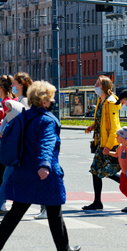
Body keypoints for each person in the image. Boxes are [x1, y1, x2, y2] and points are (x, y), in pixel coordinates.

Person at [0, 81, 80, 251]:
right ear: (43, 101)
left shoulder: (22, 116)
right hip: (44, 172)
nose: (53, 101)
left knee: (16, 212)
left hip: (23, 170)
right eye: (51, 98)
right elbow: (47, 143)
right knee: (54, 211)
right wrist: (44, 164)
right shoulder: (47, 120)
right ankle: (64, 248)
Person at [82, 75, 124, 210]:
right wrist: (93, 126)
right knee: (103, 171)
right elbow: (102, 120)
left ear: (105, 86)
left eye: (98, 84)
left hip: (106, 143)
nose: (95, 86)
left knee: (97, 171)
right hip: (100, 141)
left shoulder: (111, 102)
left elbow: (115, 126)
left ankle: (97, 202)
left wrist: (109, 145)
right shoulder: (101, 101)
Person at [12, 72, 46, 219]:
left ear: (21, 84)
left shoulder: (25, 101)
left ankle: (46, 207)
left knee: (34, 179)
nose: (12, 85)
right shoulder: (18, 98)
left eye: (14, 83)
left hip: (29, 146)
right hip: (24, 145)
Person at [0, 75, 17, 213]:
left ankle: (2, 202)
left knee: (5, 174)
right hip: (10, 141)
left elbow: (8, 123)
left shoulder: (6, 102)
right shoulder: (13, 100)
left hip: (5, 141)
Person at [108, 127, 127, 205]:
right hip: (123, 173)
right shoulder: (120, 147)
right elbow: (116, 155)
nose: (116, 137)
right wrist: (108, 152)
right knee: (124, 188)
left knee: (124, 188)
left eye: (118, 136)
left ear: (123, 137)